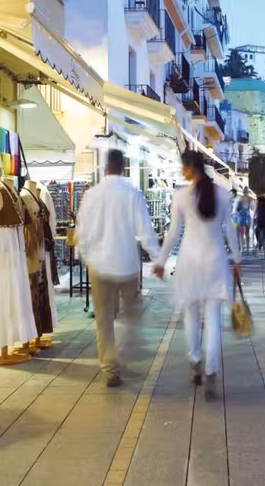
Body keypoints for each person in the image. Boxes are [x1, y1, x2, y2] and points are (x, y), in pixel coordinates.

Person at [153, 151, 240, 401]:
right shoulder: (222, 194)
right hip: (215, 261)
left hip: (190, 261)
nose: (182, 171)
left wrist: (160, 261)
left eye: (184, 167)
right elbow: (229, 230)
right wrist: (237, 259)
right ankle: (211, 372)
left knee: (190, 315)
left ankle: (195, 362)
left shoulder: (181, 196)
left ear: (191, 168)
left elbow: (173, 233)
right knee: (213, 319)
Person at [77, 149, 161, 387]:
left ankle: (110, 368)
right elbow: (145, 231)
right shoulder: (132, 193)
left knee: (103, 319)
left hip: (99, 265)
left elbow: (83, 231)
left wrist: (84, 255)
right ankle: (120, 353)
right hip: (126, 265)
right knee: (131, 316)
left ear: (106, 168)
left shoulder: (91, 195)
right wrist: (158, 258)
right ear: (123, 167)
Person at [236, 188, 252, 253]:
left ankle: (243, 249)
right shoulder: (248, 199)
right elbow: (237, 208)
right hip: (244, 216)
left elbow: (237, 209)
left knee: (243, 233)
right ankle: (245, 248)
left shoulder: (241, 198)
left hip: (243, 216)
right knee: (244, 233)